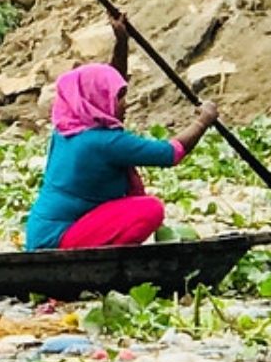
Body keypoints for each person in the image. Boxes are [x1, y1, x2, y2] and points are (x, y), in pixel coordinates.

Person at [23, 14, 220, 251]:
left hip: (41, 234)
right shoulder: (104, 143)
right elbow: (171, 153)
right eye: (119, 98)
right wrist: (203, 121)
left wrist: (122, 42)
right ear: (100, 100)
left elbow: (109, 83)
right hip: (59, 239)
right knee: (150, 209)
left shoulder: (66, 131)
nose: (124, 104)